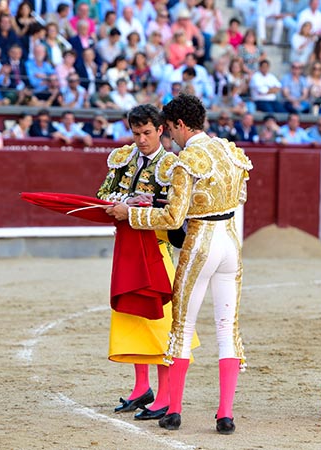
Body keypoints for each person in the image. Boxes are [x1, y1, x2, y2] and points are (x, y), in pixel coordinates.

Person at [106, 93, 252, 435]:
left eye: (170, 129)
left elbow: (173, 217)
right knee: (225, 328)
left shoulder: (187, 160)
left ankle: (174, 411)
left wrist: (132, 212)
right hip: (230, 240)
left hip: (201, 242)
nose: (170, 136)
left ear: (180, 125)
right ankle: (225, 415)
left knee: (181, 327)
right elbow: (241, 197)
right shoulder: (229, 152)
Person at [96, 104, 197, 420]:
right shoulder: (124, 160)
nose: (140, 139)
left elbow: (177, 214)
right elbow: (102, 193)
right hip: (127, 249)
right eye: (136, 133)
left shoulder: (172, 165)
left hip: (157, 250)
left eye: (147, 133)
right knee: (135, 316)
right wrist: (116, 203)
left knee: (159, 324)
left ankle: (166, 394)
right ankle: (142, 387)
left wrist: (141, 207)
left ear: (161, 130)